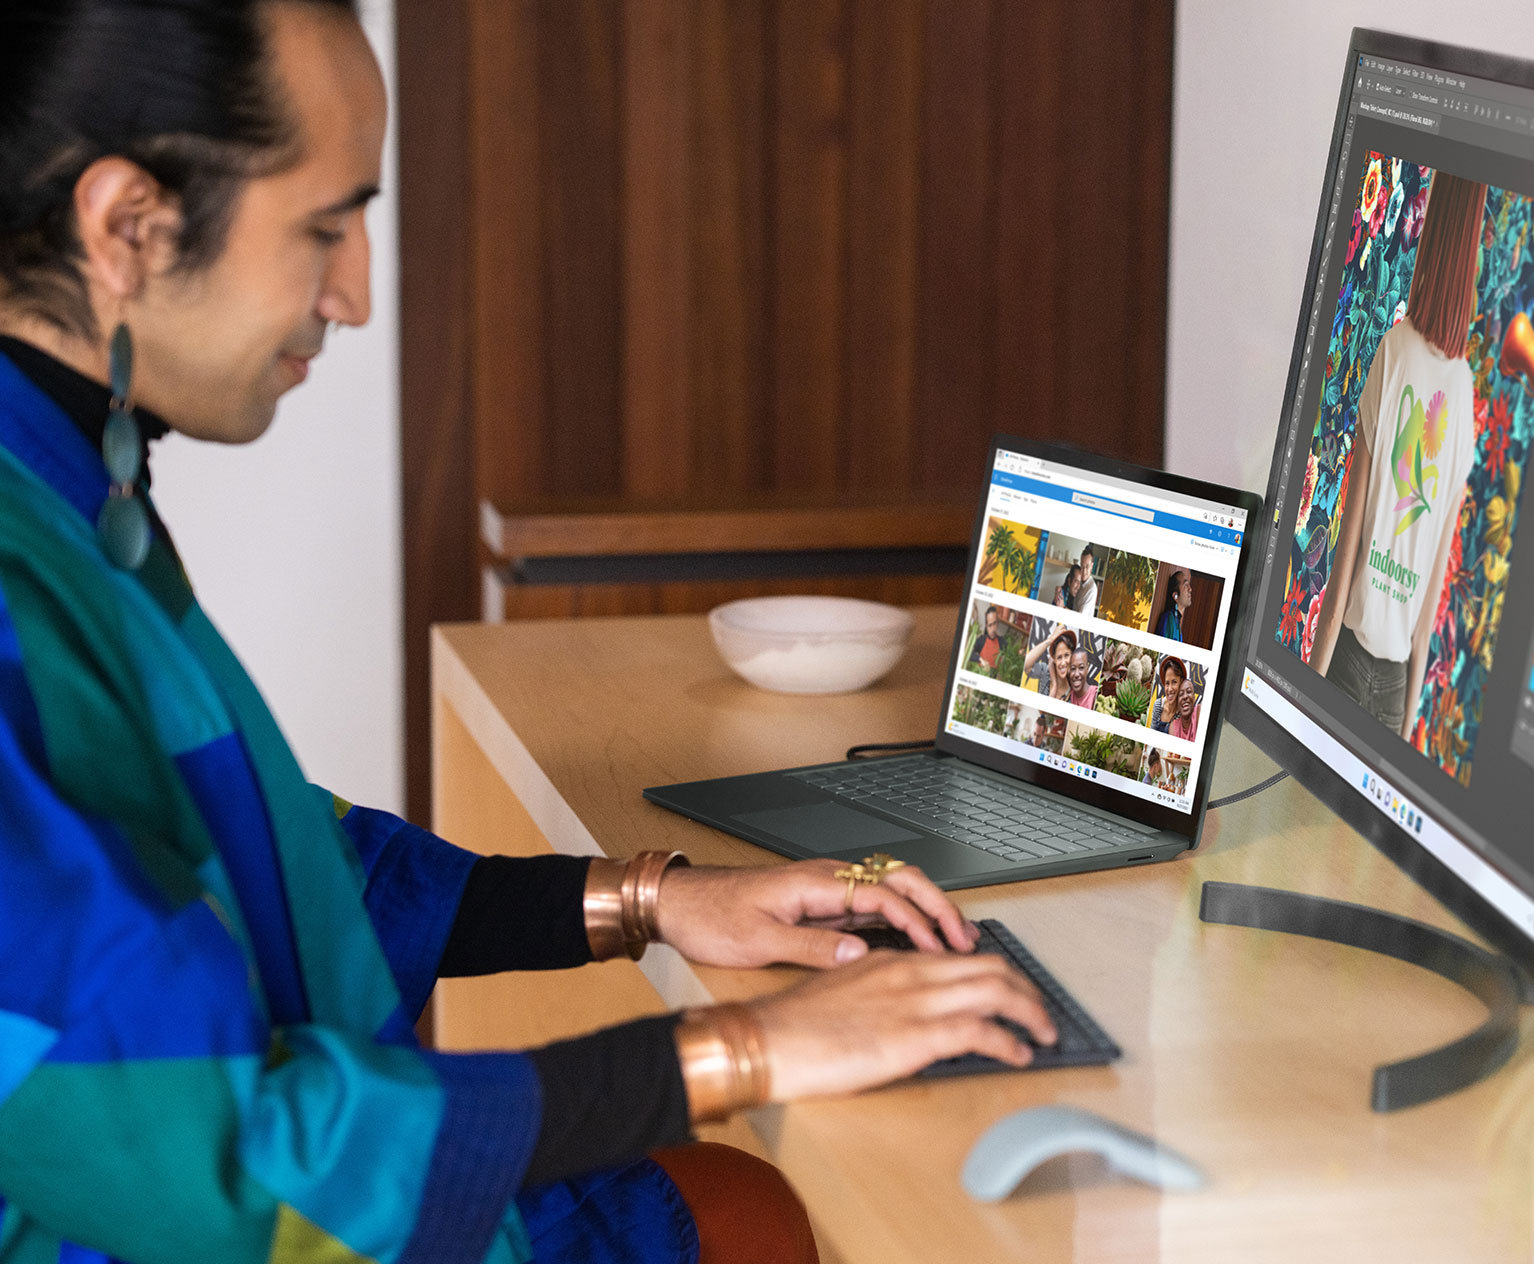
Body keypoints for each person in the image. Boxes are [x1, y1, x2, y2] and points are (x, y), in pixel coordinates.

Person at [0, 5, 1055, 1262]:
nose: (356, 292)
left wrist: (656, 901)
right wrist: (746, 1046)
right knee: (761, 1212)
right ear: (126, 226)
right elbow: (228, 1163)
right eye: (325, 225)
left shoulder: (62, 481)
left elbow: (282, 866)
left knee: (749, 1204)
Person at [1311, 169, 1485, 743]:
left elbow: (1346, 564)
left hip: (1345, 664)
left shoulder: (1393, 350)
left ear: (1432, 233)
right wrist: (1407, 723)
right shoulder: (1464, 394)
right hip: (1392, 689)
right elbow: (1431, 595)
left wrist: (1304, 700)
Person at [1148, 656, 1200, 743]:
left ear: (1181, 682)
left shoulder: (1184, 712)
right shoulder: (1158, 705)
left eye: (1174, 682)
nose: (1170, 689)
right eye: (1167, 683)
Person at [1022, 627, 1079, 703]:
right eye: (1059, 657)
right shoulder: (1046, 671)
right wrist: (1051, 639)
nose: (1063, 662)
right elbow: (1026, 665)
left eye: (1066, 655)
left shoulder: (1074, 693)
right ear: (1054, 659)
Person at [1155, 568, 1194, 642]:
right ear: (1175, 595)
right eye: (1185, 585)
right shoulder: (1169, 618)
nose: (1190, 589)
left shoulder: (1176, 621)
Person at [965, 604, 1007, 671]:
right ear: (986, 626)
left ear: (997, 623)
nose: (993, 629)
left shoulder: (1002, 642)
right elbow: (969, 654)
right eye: (990, 625)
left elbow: (1011, 654)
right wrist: (980, 659)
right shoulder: (981, 640)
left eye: (995, 623)